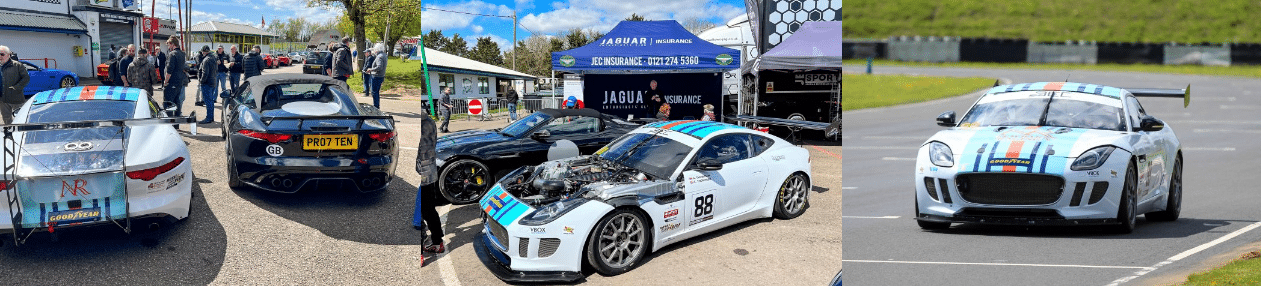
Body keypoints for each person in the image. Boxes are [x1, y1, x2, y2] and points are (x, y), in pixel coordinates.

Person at [412, 108, 442, 254]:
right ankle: (437, 241)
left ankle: (421, 252)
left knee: (421, 210)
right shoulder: (430, 121)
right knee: (429, 208)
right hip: (429, 168)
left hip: (421, 169)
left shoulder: (419, 124)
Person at [0, 46, 30, 124]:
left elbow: (26, 78)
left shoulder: (17, 65)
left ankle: (21, 134)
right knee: (6, 119)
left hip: (16, 98)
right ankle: (10, 134)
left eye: (2, 54)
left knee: (20, 118)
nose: (0, 56)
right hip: (3, 99)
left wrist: (16, 88)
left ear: (8, 55)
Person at [163, 37, 188, 117]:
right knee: (177, 103)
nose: (168, 47)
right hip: (179, 82)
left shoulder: (172, 54)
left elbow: (169, 70)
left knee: (169, 104)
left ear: (172, 44)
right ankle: (176, 124)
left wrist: (165, 81)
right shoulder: (182, 54)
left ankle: (169, 125)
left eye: (169, 45)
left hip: (171, 82)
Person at [197, 46, 218, 124]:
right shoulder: (214, 58)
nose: (202, 53)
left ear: (205, 52)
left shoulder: (206, 60)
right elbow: (216, 70)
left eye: (203, 52)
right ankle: (211, 117)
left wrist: (201, 81)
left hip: (207, 83)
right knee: (211, 101)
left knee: (208, 101)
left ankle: (209, 118)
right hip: (213, 82)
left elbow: (205, 73)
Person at [367, 43, 388, 108]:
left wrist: (371, 69)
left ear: (377, 49)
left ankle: (376, 106)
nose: (374, 51)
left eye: (375, 49)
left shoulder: (379, 56)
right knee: (376, 91)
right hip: (381, 76)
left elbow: (379, 67)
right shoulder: (384, 55)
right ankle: (376, 105)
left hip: (376, 76)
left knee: (374, 92)